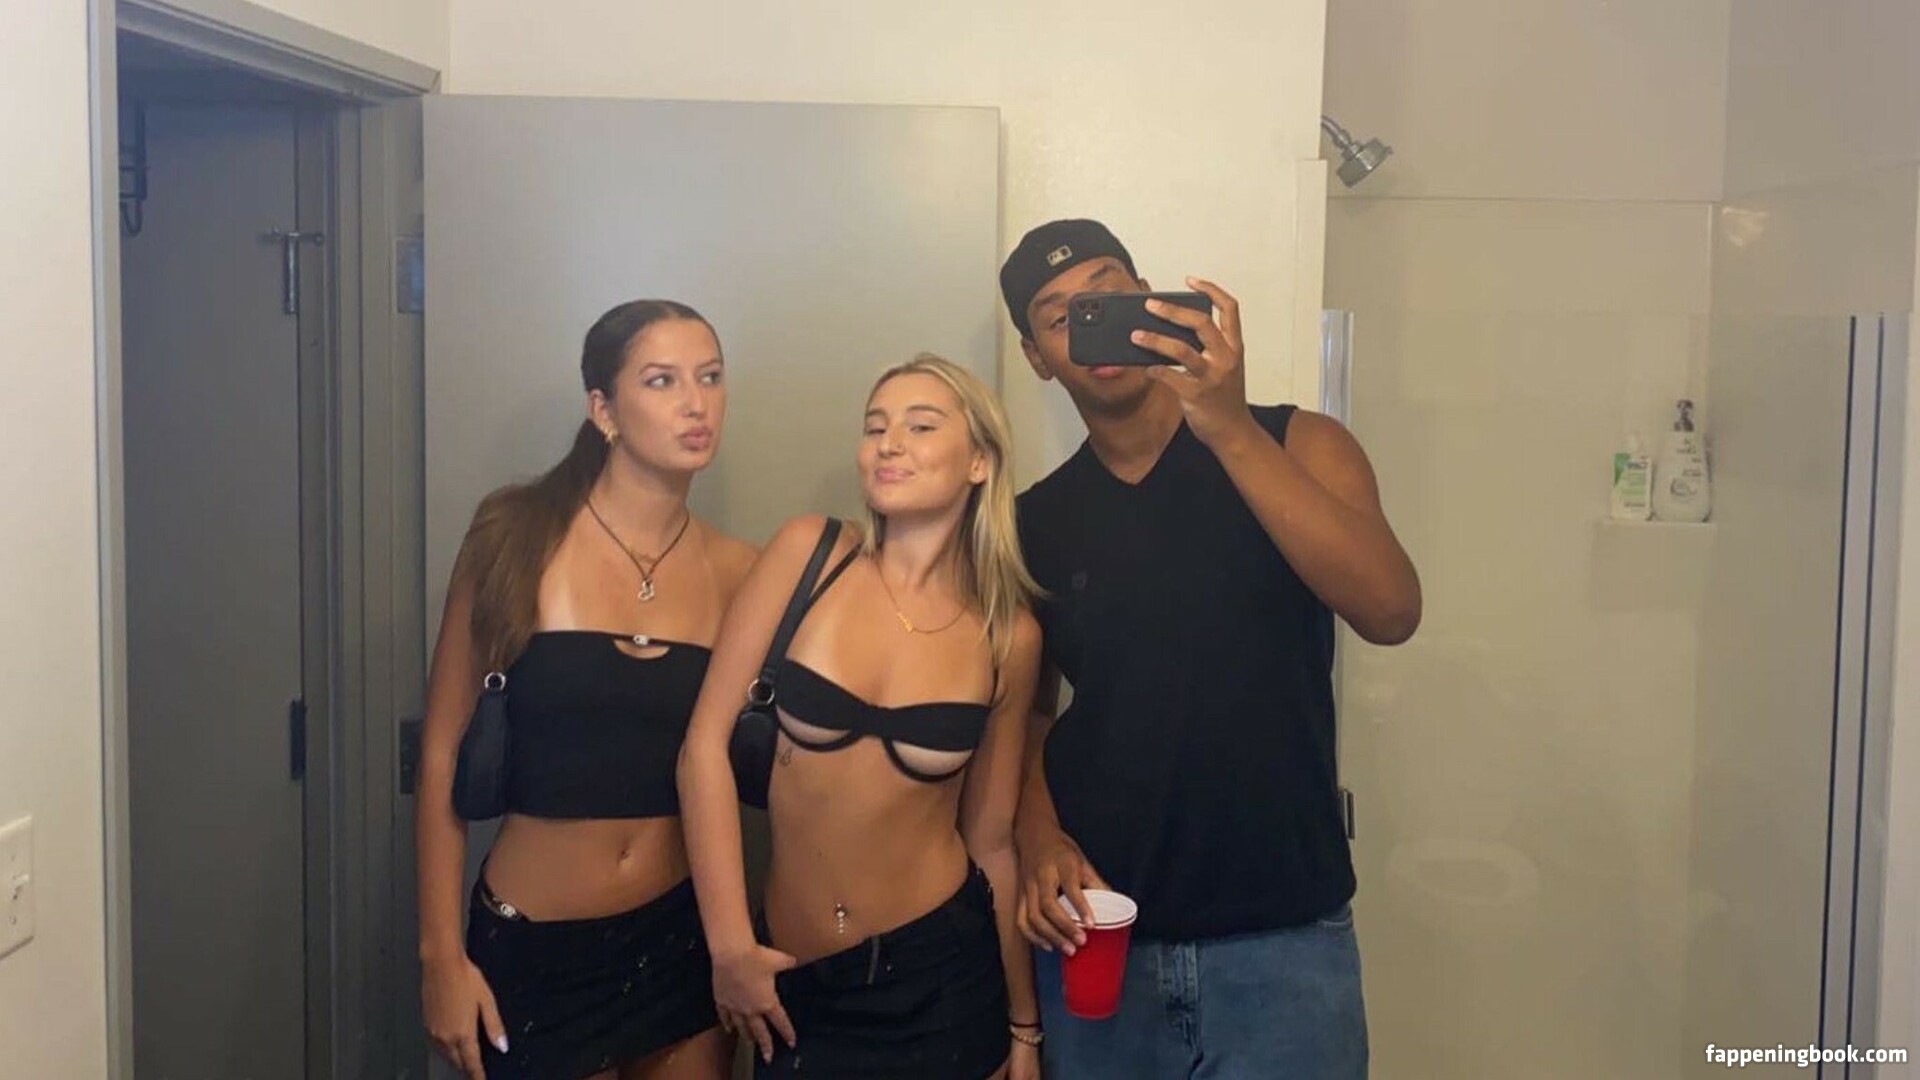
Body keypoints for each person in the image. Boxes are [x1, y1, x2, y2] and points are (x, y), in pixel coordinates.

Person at [1000, 219, 1422, 1079]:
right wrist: (1038, 840)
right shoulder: (1033, 523)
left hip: (1286, 941)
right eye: (1060, 316)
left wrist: (1228, 428)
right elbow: (1028, 717)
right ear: (1038, 357)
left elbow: (1390, 610)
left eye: (1106, 295)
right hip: (1103, 934)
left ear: (1149, 297)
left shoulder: (1299, 442)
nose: (1090, 323)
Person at [677, 355, 1044, 1080]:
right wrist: (730, 948)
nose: (889, 443)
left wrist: (1024, 1025)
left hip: (941, 976)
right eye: (875, 427)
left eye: (920, 426)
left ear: (980, 462)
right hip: (793, 982)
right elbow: (702, 750)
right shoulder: (808, 555)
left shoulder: (1007, 636)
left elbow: (992, 843)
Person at [416, 300, 753, 1080]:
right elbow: (440, 754)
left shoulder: (741, 570)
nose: (696, 403)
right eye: (662, 381)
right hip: (535, 945)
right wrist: (440, 958)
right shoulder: (513, 535)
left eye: (709, 377)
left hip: (679, 940)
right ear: (603, 409)